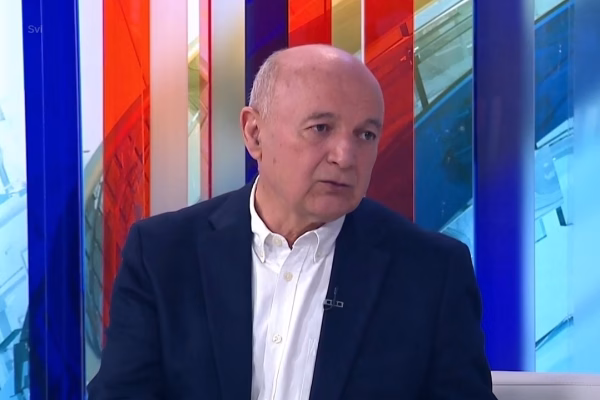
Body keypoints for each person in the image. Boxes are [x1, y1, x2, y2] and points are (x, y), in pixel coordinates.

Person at [88, 44, 496, 400]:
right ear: (254, 133)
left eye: (365, 135)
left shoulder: (431, 271)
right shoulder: (162, 254)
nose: (345, 156)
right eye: (321, 128)